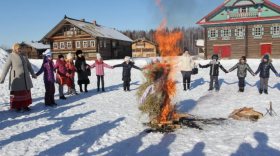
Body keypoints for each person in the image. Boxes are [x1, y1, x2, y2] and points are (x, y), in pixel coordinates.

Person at [0, 43, 37, 112]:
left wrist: (33, 74)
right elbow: (6, 67)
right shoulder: (11, 56)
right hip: (17, 78)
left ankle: (25, 105)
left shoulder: (24, 56)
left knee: (25, 92)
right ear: (14, 49)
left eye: (20, 48)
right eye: (18, 48)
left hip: (25, 78)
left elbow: (29, 66)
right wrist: (2, 78)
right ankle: (17, 106)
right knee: (17, 93)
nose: (19, 50)